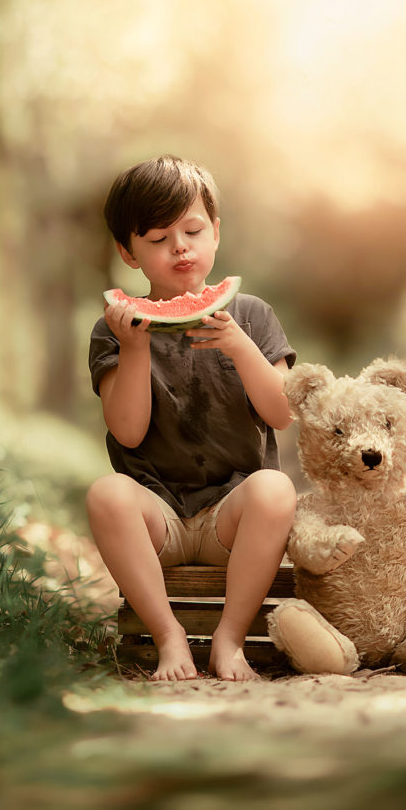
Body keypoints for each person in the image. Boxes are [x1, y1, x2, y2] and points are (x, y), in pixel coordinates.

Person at [87, 155, 297, 681]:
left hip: (234, 516)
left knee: (276, 489)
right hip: (158, 518)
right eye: (157, 239)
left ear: (216, 232)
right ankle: (168, 634)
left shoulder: (251, 315)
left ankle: (230, 637)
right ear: (127, 252)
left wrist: (241, 347)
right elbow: (128, 431)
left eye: (193, 230)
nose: (179, 246)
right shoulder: (114, 327)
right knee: (105, 495)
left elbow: (282, 413)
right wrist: (134, 349)